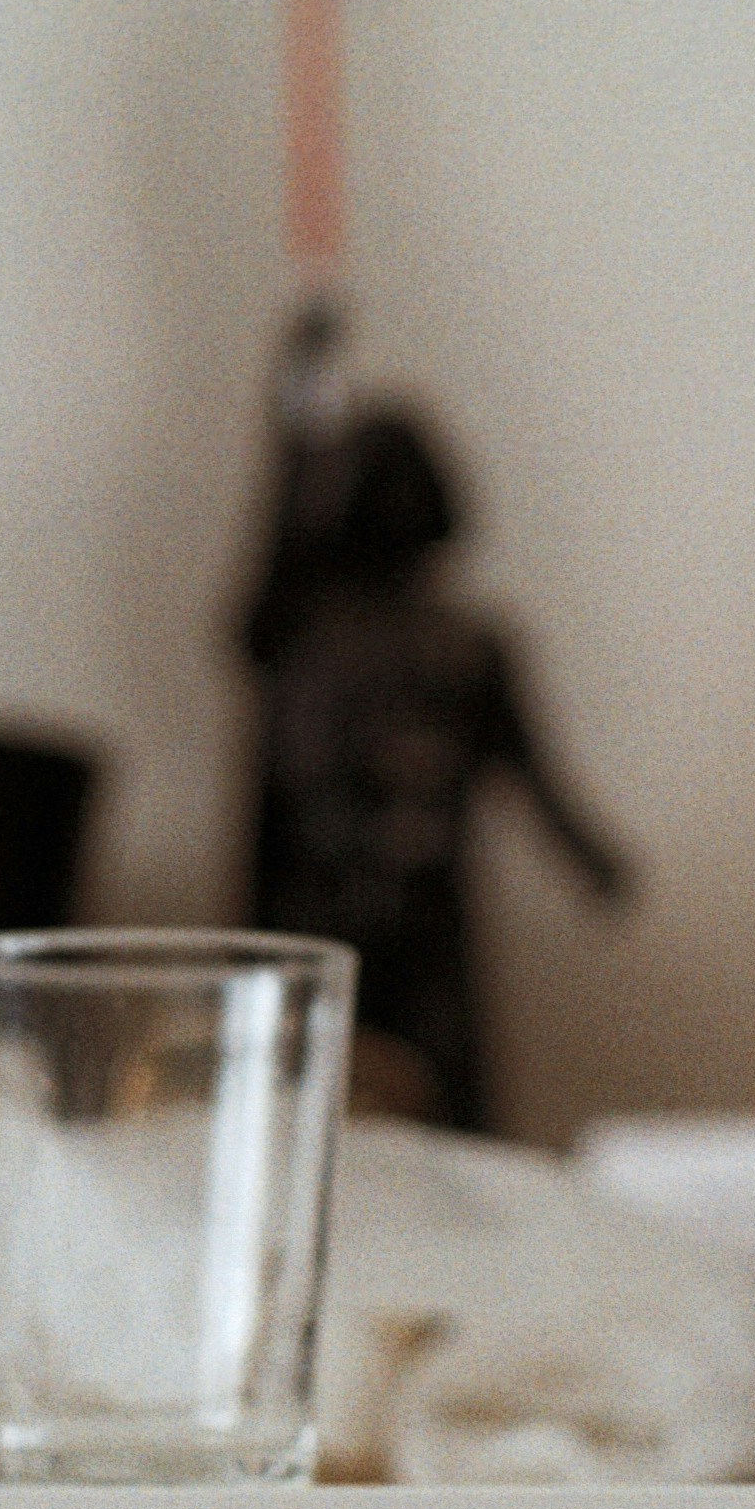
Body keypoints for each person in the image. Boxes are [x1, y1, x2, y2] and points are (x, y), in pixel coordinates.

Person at [237, 303, 632, 1129]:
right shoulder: (309, 633)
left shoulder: (467, 645)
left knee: (450, 1100)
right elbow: (275, 544)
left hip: (430, 911)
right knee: (320, 1105)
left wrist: (591, 857)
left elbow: (529, 766)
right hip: (327, 910)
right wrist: (294, 393)